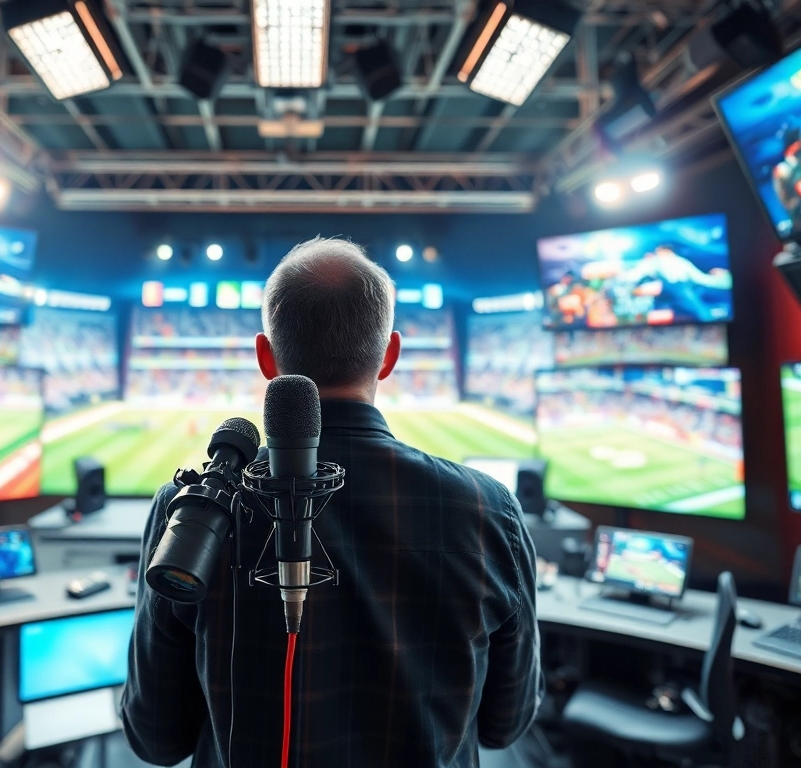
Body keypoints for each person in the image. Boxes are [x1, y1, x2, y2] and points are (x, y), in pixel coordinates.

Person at [122, 237, 543, 767]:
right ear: (389, 355)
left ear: (266, 358)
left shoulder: (193, 511)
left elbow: (155, 738)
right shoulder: (490, 512)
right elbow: (507, 724)